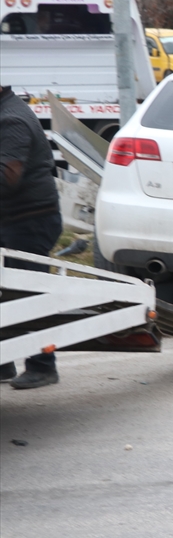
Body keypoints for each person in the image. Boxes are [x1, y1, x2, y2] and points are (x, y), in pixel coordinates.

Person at [0, 85, 65, 388]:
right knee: (5, 295)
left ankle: (43, 365)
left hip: (31, 221)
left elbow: (7, 176)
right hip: (11, 219)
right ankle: (3, 363)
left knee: (31, 294)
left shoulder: (12, 119)